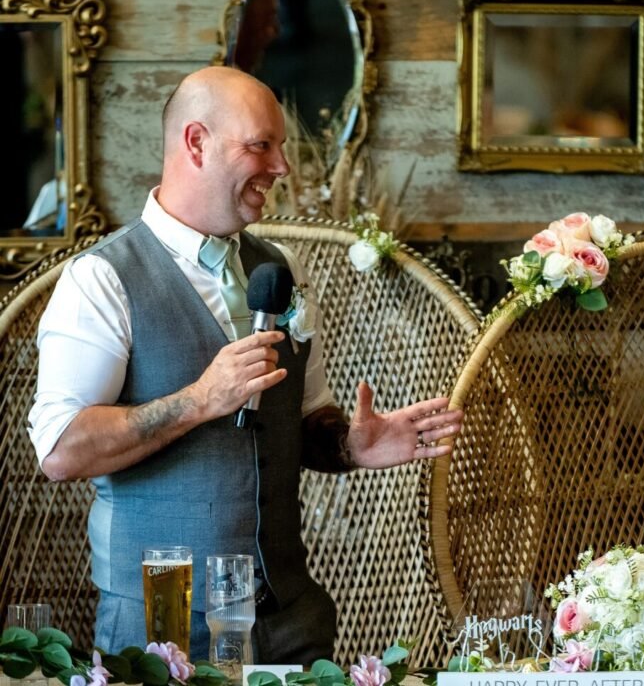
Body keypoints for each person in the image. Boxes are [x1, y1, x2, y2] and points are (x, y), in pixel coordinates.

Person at [27, 65, 464, 664]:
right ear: (196, 143)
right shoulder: (101, 279)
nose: (281, 166)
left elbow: (306, 419)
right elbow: (61, 450)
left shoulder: (282, 269)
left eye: (281, 147)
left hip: (291, 624)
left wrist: (350, 446)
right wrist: (199, 400)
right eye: (261, 145)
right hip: (162, 631)